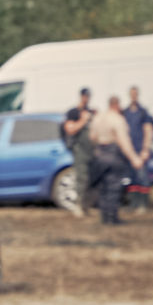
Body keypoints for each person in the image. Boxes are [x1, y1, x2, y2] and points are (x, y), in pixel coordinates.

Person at [87, 96, 145, 225]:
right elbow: (123, 141)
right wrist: (134, 158)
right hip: (113, 153)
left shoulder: (98, 118)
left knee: (103, 188)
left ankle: (104, 217)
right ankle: (112, 218)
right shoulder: (117, 119)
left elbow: (92, 137)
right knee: (113, 187)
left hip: (99, 153)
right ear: (117, 105)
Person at [122, 86, 153, 212]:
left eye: (135, 94)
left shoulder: (143, 112)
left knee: (142, 178)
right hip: (130, 151)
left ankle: (143, 205)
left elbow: (148, 130)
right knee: (131, 178)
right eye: (131, 94)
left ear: (137, 95)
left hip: (140, 150)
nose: (133, 96)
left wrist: (146, 149)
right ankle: (133, 204)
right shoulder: (125, 112)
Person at [62, 87, 95, 216]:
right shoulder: (73, 112)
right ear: (81, 96)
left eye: (88, 96)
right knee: (81, 178)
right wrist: (83, 120)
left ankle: (86, 206)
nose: (86, 98)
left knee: (90, 179)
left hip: (91, 150)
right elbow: (70, 129)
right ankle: (78, 205)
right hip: (79, 150)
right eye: (85, 96)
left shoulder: (90, 112)